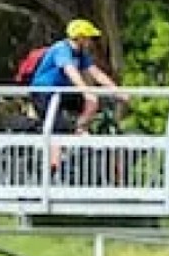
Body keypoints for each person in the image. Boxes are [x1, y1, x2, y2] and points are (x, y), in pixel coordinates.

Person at [21, 18, 122, 165]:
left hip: (62, 92)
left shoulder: (80, 54)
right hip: (44, 92)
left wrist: (117, 90)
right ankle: (53, 168)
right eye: (89, 38)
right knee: (58, 127)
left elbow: (96, 73)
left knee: (92, 102)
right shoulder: (61, 49)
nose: (91, 42)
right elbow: (70, 71)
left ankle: (79, 128)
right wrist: (85, 90)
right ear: (80, 37)